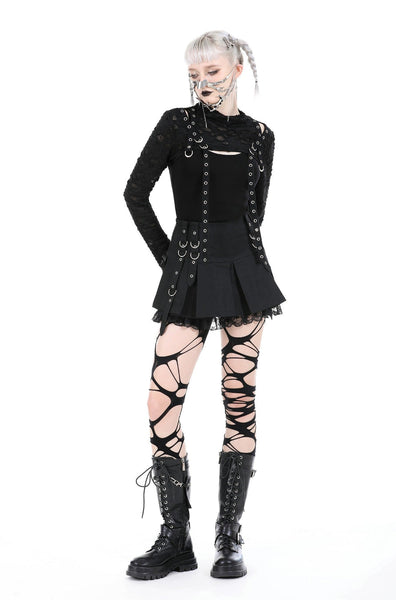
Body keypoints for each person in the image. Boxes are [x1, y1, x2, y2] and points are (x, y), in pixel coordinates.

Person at [122, 30, 286, 580]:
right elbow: (135, 193)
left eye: (212, 72)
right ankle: (176, 538)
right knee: (160, 402)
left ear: (237, 70)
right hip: (188, 273)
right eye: (194, 75)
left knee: (240, 400)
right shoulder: (176, 124)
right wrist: (171, 259)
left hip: (245, 272)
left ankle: (228, 536)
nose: (202, 84)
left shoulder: (262, 136)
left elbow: (256, 211)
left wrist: (234, 258)